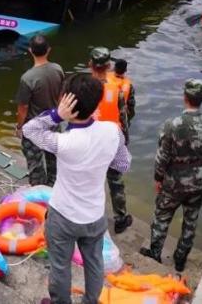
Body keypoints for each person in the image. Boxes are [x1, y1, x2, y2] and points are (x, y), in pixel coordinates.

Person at [22, 74, 131, 304]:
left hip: (63, 215)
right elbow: (123, 164)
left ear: (66, 101)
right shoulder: (112, 132)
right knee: (94, 263)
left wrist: (56, 115)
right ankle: (91, 301)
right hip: (93, 216)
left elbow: (30, 130)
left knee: (60, 266)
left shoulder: (63, 142)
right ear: (97, 103)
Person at [140, 79, 202, 272]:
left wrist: (158, 178)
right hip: (198, 182)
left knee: (162, 217)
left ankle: (155, 253)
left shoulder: (172, 125)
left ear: (185, 97)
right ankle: (180, 259)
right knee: (190, 222)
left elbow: (162, 156)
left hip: (173, 182)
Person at [88, 47, 132, 234]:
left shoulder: (82, 87)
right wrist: (126, 140)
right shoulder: (117, 90)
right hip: (111, 141)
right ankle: (120, 218)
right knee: (115, 181)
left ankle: (88, 214)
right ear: (108, 66)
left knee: (89, 180)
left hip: (88, 141)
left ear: (90, 64)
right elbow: (124, 119)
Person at [15, 34, 64, 187]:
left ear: (30, 50)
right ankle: (53, 187)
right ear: (48, 50)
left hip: (34, 126)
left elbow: (23, 108)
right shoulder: (58, 69)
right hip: (53, 121)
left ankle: (38, 192)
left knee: (35, 164)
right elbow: (61, 95)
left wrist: (19, 127)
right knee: (54, 159)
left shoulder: (27, 78)